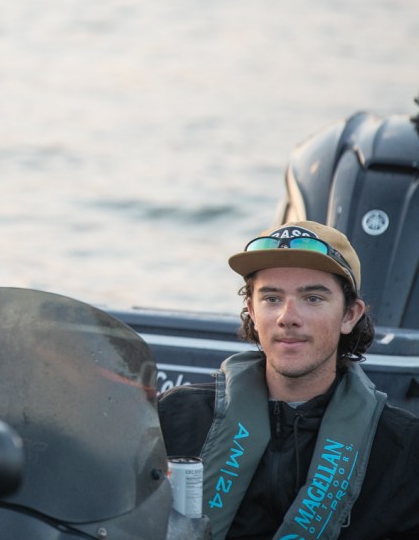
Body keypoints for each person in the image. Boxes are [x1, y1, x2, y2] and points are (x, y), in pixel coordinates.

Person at [157, 220, 419, 540]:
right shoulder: (174, 417)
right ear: (252, 311)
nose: (288, 317)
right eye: (272, 298)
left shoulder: (404, 450)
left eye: (313, 298)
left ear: (350, 315)